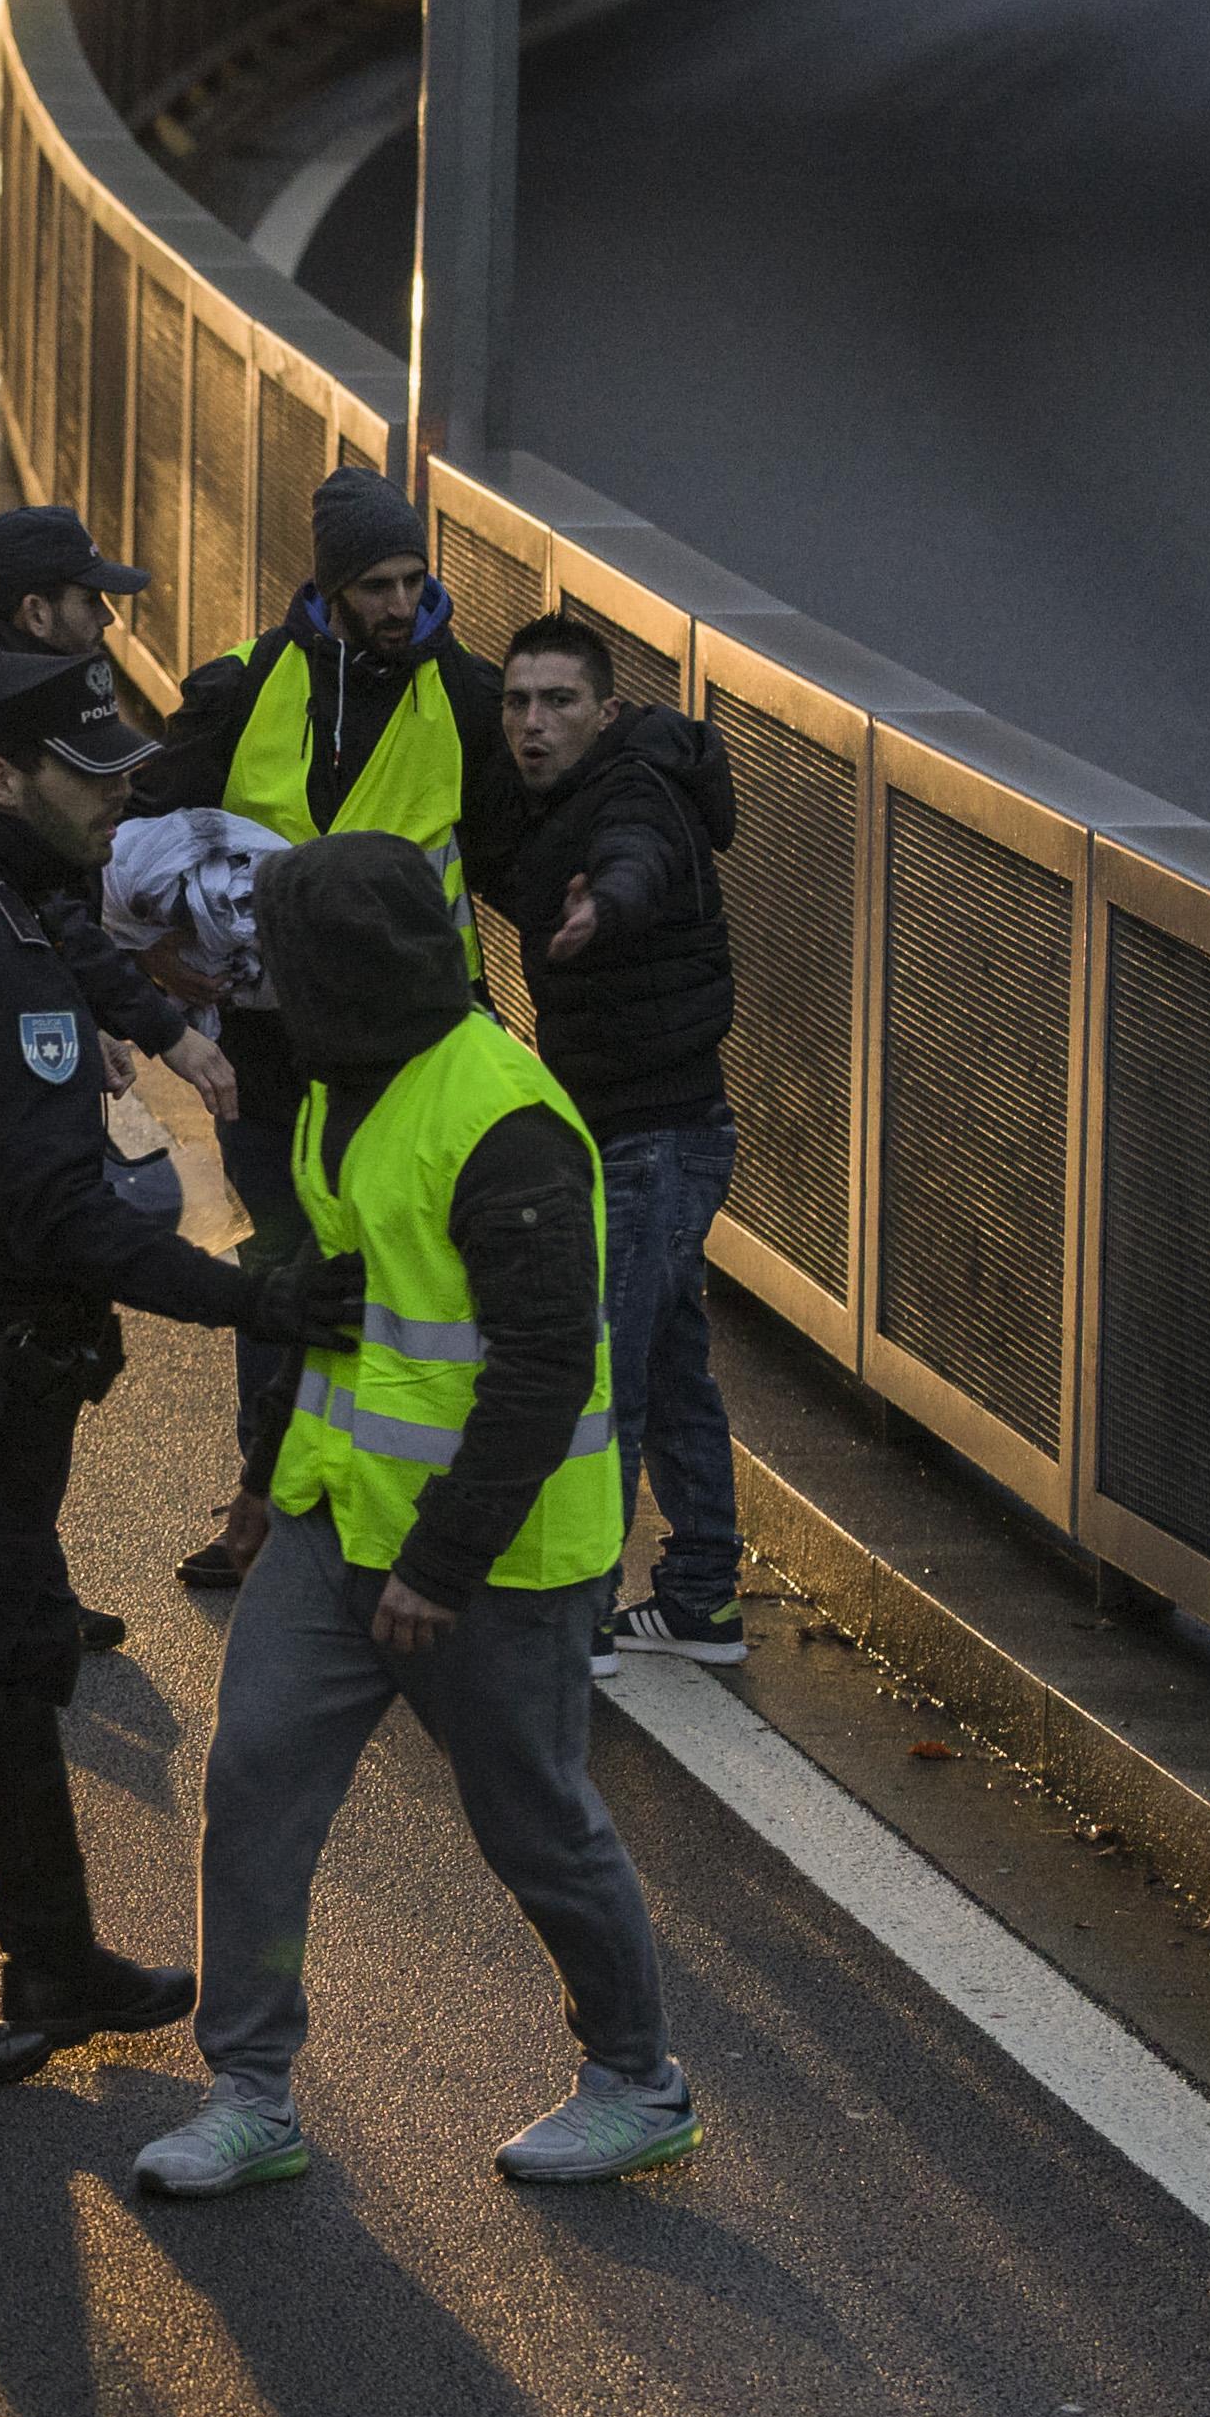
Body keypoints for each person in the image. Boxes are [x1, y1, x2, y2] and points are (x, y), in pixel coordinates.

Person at [0, 647, 367, 2085]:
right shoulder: (0, 965)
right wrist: (251, 1296)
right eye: (87, 775)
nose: (119, 796)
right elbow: (66, 1218)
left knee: (17, 1647)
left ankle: (51, 1948)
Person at [132, 830, 699, 2200]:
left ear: (336, 971)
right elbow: (341, 1305)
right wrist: (267, 1489)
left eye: (279, 957)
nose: (252, 981)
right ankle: (249, 2090)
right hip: (336, 1523)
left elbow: (545, 1360)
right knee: (255, 1783)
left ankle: (638, 2077)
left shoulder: (498, 1118)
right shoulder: (343, 1083)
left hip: (492, 1559)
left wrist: (441, 1562)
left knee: (533, 1818)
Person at [136, 464, 528, 1593]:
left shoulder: (466, 695)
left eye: (414, 578)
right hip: (273, 1049)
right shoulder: (247, 688)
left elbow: (523, 857)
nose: (402, 604)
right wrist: (161, 973)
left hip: (422, 1061)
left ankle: (400, 1514)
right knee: (281, 1279)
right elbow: (140, 841)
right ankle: (267, 1505)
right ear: (329, 585)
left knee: (413, 1286)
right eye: (376, 584)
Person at [0, 506, 243, 1653]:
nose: (105, 623)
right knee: (21, 1326)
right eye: (92, 603)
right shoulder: (3, 729)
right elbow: (42, 912)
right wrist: (154, 1026)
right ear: (37, 611)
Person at [488, 615, 744, 1673]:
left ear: (605, 707)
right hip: (643, 1130)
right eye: (517, 703)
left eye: (557, 703)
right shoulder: (569, 793)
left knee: (609, 1375)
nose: (533, 723)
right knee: (671, 1359)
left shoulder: (632, 794)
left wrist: (610, 906)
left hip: (655, 1138)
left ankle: (582, 1610)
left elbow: (634, 862)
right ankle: (700, 1598)